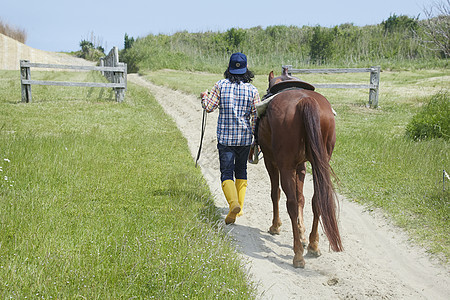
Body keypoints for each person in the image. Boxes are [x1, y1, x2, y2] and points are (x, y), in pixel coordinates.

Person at [200, 52, 260, 224]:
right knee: (241, 171)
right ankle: (239, 208)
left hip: (226, 139)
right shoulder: (252, 90)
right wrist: (254, 138)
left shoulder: (220, 85)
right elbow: (256, 116)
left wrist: (204, 97)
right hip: (244, 139)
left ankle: (233, 204)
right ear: (246, 69)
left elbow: (209, 107)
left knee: (226, 173)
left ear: (229, 68)